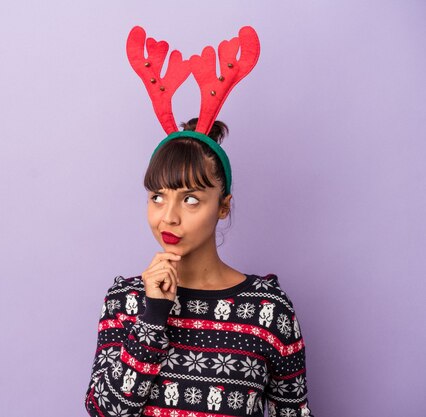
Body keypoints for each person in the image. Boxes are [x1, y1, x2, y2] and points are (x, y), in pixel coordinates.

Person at [84, 26, 314, 417]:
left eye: (191, 199)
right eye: (158, 196)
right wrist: (153, 314)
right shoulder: (126, 301)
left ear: (222, 206)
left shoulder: (268, 310)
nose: (168, 216)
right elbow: (104, 412)